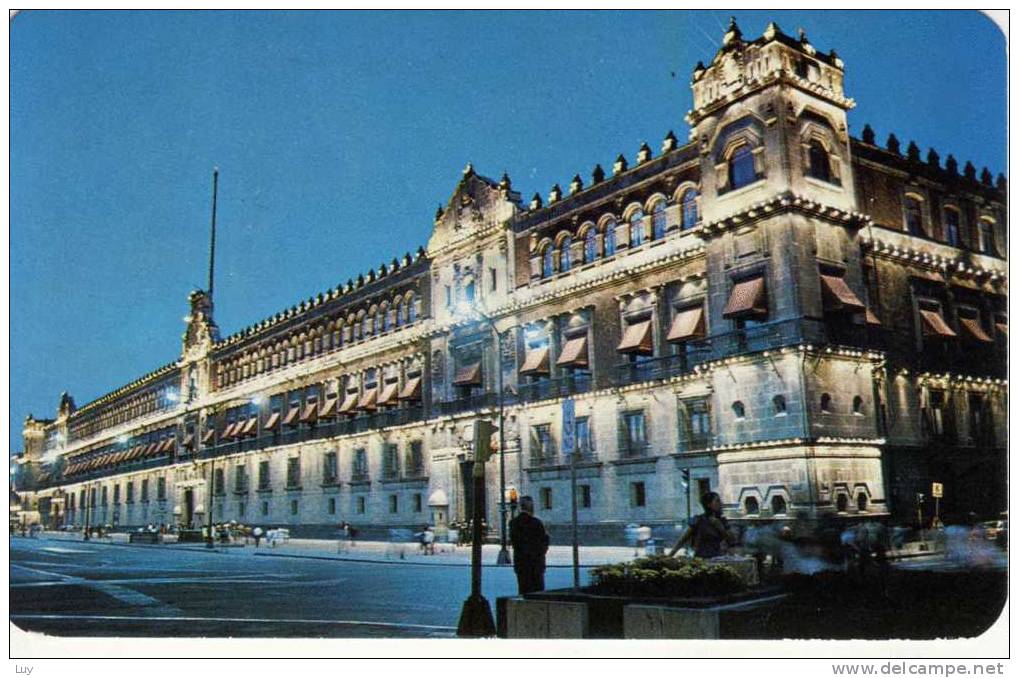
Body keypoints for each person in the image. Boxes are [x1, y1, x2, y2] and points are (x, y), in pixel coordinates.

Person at [668, 491, 736, 559]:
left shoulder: (722, 521)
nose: (721, 504)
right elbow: (683, 540)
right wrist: (670, 555)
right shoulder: (699, 520)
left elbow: (732, 541)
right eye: (717, 501)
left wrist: (720, 527)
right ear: (709, 505)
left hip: (718, 558)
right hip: (701, 558)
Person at [509, 495, 550, 594]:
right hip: (536, 563)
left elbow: (514, 542)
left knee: (523, 590)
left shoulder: (513, 523)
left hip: (521, 563)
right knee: (537, 592)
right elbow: (543, 543)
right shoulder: (536, 523)